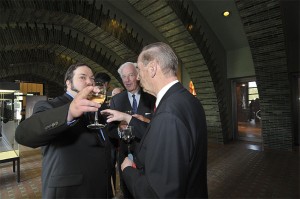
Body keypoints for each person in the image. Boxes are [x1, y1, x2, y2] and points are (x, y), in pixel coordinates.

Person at [103, 42, 208, 198]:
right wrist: (128, 118)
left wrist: (128, 171)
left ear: (152, 68)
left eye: (138, 69)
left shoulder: (168, 113)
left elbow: (159, 193)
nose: (137, 77)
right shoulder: (187, 99)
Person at [15, 63, 113, 198]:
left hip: (99, 188)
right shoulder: (50, 105)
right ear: (68, 83)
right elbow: (23, 134)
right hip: (69, 192)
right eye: (82, 77)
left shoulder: (95, 108)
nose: (89, 82)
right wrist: (69, 112)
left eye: (91, 78)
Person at [107, 62, 156, 199]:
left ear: (138, 76)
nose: (127, 80)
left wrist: (146, 122)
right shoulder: (116, 100)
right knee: (127, 191)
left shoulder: (151, 99)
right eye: (124, 77)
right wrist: (120, 130)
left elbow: (157, 127)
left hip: (147, 156)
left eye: (131, 75)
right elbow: (110, 130)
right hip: (125, 155)